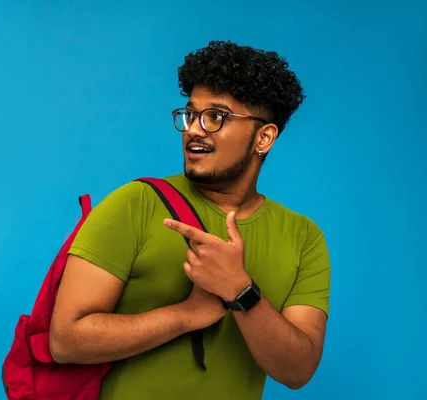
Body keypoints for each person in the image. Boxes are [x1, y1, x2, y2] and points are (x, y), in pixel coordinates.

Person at [49, 40, 331, 400]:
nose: (194, 129)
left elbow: (297, 370)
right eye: (190, 114)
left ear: (264, 137)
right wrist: (186, 315)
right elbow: (66, 340)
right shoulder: (135, 204)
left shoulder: (304, 237)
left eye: (216, 117)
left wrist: (240, 291)